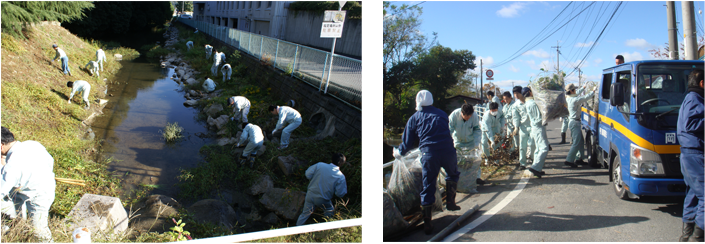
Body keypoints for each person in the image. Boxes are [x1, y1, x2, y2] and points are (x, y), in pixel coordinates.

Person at [394, 90, 460, 235]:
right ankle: (451, 202)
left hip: (430, 154)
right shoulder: (442, 114)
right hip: (448, 150)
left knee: (428, 184)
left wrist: (398, 153)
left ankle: (428, 222)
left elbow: (406, 143)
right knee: (453, 174)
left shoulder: (415, 117)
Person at [1, 127, 56, 242]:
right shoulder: (32, 144)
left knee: (39, 230)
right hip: (48, 185)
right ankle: (20, 232)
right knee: (17, 215)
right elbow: (50, 161)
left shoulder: (12, 165)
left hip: (38, 196)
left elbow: (2, 189)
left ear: (1, 146)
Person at [677, 68, 705, 242]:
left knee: (694, 194)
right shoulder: (695, 99)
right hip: (695, 154)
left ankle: (687, 235)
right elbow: (691, 123)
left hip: (690, 154)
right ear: (702, 83)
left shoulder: (692, 98)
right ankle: (698, 236)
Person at [296, 153, 347, 226]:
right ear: (342, 164)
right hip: (323, 199)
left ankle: (296, 232)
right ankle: (325, 229)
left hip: (310, 194)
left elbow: (307, 174)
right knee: (329, 211)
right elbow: (340, 193)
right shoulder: (340, 176)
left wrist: (314, 179)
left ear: (332, 159)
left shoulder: (320, 165)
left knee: (304, 214)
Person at [448, 102, 485, 185]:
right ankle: (460, 179)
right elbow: (449, 130)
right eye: (466, 116)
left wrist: (476, 143)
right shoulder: (454, 115)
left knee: (474, 159)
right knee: (459, 161)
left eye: (470, 116)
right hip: (458, 141)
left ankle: (476, 178)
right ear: (462, 113)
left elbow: (477, 130)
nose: (468, 118)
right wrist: (449, 143)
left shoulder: (474, 116)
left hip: (471, 141)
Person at [564, 84, 595, 168]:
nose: (575, 91)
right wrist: (593, 92)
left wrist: (583, 88)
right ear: (571, 91)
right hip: (574, 122)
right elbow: (584, 98)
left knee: (580, 142)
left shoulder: (569, 98)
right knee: (576, 143)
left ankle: (579, 159)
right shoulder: (574, 100)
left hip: (574, 122)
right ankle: (569, 160)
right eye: (574, 89)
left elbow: (577, 93)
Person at [523, 87, 550, 178]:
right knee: (544, 148)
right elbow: (538, 118)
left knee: (538, 149)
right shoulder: (533, 103)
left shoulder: (528, 103)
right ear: (530, 92)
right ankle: (535, 167)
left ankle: (537, 168)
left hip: (535, 128)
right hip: (538, 127)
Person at [512, 86, 534, 169]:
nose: (516, 95)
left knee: (532, 144)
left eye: (517, 93)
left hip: (532, 126)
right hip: (523, 127)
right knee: (522, 146)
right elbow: (515, 117)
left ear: (522, 93)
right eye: (514, 93)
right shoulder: (516, 105)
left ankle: (533, 159)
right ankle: (522, 163)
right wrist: (516, 127)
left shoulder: (530, 101)